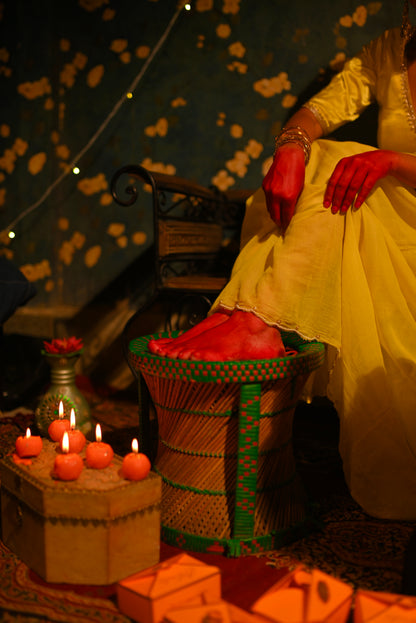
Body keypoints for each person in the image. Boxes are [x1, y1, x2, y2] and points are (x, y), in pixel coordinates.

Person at [149, 0, 416, 520]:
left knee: (343, 160)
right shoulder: (392, 49)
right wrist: (291, 146)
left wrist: (389, 160)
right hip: (390, 225)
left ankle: (248, 318)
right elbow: (319, 110)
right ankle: (252, 321)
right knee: (323, 158)